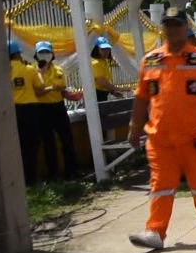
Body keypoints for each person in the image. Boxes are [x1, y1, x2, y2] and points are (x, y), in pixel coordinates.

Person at [126, 7, 196, 251]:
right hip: (160, 138)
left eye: (177, 24)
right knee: (161, 185)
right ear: (163, 28)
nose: (173, 29)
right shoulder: (150, 61)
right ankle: (155, 231)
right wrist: (134, 126)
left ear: (185, 27)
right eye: (168, 24)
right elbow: (141, 98)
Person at [33, 41, 79, 180]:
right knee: (48, 143)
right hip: (42, 109)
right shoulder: (33, 71)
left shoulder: (59, 70)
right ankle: (53, 174)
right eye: (41, 53)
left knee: (67, 140)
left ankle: (72, 172)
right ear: (36, 55)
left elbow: (63, 90)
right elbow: (37, 93)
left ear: (52, 54)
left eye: (47, 52)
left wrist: (70, 95)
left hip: (58, 107)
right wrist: (51, 87)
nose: (45, 55)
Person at [8, 41, 45, 185]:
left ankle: (19, 181)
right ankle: (31, 180)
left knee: (18, 147)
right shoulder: (29, 70)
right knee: (32, 145)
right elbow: (40, 89)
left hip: (12, 111)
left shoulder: (2, 71)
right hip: (30, 110)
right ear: (18, 54)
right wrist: (40, 74)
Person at [90, 37, 121, 102]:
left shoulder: (103, 62)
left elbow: (105, 82)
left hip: (102, 95)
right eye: (103, 49)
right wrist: (124, 89)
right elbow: (101, 81)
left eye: (108, 49)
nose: (106, 51)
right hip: (96, 95)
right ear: (96, 49)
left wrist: (113, 92)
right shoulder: (96, 63)